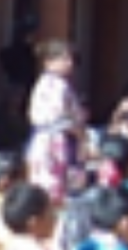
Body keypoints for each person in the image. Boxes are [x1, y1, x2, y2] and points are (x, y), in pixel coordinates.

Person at [26, 40, 86, 204]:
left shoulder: (52, 84)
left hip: (50, 140)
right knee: (52, 189)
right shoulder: (55, 85)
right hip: (54, 141)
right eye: (64, 59)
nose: (70, 63)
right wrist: (80, 135)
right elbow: (61, 119)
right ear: (49, 62)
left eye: (70, 59)